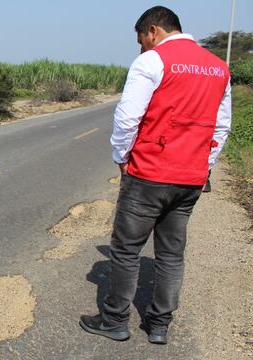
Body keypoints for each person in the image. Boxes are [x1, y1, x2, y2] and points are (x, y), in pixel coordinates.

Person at [80, 6, 231, 345]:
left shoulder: (152, 61)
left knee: (126, 249)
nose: (142, 48)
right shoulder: (219, 67)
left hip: (149, 173)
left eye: (141, 41)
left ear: (153, 30)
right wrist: (205, 165)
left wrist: (122, 157)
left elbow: (127, 117)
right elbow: (222, 126)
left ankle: (115, 319)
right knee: (171, 253)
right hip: (190, 177)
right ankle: (159, 324)